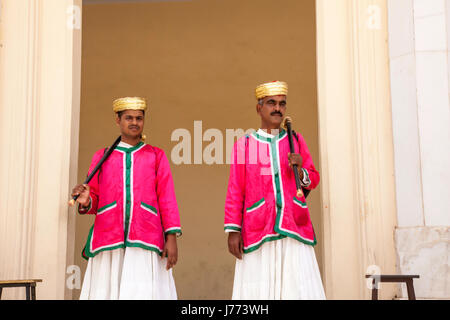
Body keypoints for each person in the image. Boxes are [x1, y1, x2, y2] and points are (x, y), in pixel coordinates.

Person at [72, 97, 181, 300]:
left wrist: (171, 237)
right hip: (108, 236)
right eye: (128, 118)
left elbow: (167, 198)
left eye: (139, 118)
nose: (134, 122)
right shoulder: (102, 156)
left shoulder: (156, 156)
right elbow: (93, 197)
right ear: (118, 120)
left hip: (145, 236)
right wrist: (87, 200)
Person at [224, 81, 326, 299]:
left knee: (295, 288)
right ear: (259, 108)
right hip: (258, 227)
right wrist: (233, 231)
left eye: (282, 104)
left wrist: (300, 171)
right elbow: (236, 189)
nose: (277, 108)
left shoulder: (295, 140)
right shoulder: (245, 145)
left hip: (293, 227)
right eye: (271, 103)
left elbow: (313, 178)